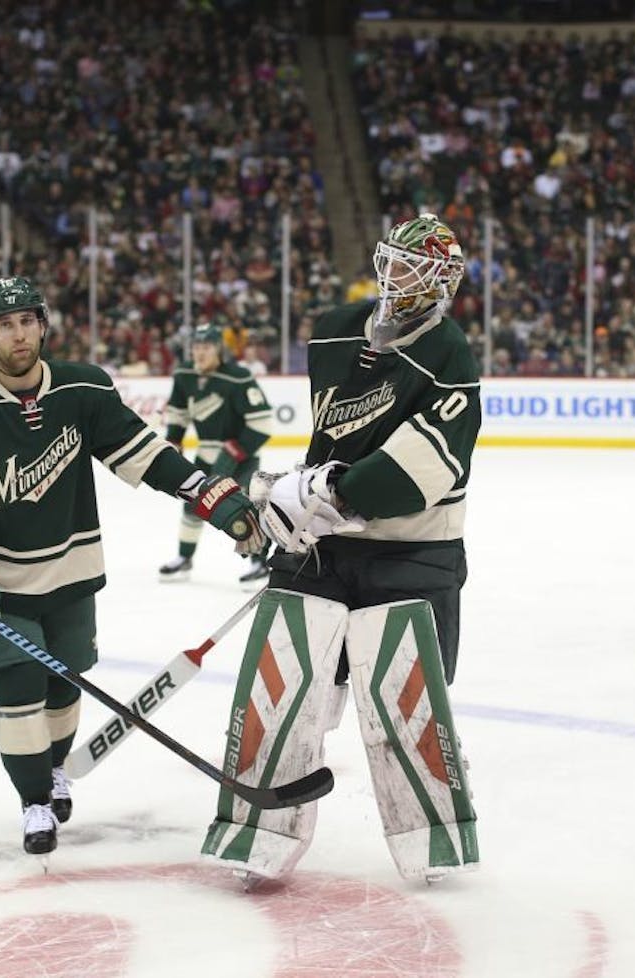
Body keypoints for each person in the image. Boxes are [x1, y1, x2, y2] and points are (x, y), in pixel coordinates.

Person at [0, 276, 266, 856]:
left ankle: (51, 772)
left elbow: (144, 454)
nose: (17, 336)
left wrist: (207, 493)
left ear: (43, 324)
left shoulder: (84, 389)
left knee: (65, 685)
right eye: (2, 326)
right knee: (18, 692)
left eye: (26, 322)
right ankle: (34, 802)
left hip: (72, 572)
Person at [200, 214, 481, 883]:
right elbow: (332, 438)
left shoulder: (448, 352)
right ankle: (254, 828)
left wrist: (331, 494)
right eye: (394, 260)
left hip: (411, 552)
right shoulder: (334, 327)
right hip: (322, 549)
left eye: (418, 267)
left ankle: (434, 833)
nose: (399, 276)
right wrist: (291, 500)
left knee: (409, 698)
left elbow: (432, 463)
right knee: (283, 683)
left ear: (444, 281)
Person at [158, 323, 275, 586]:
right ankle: (184, 557)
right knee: (192, 506)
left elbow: (262, 424)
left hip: (242, 455)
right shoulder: (184, 375)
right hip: (206, 453)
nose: (200, 353)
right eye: (196, 347)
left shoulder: (238, 377)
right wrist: (174, 440)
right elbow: (178, 411)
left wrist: (235, 452)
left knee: (244, 510)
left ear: (219, 350)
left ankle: (260, 563)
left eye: (206, 347)